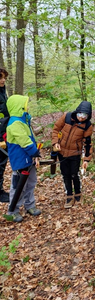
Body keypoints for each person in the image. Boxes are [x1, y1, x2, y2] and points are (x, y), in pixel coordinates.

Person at [5, 94, 41, 223]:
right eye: (26, 105)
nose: (28, 107)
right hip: (20, 161)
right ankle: (13, 211)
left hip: (29, 159)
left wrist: (35, 154)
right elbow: (24, 141)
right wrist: (35, 152)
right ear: (19, 107)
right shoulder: (14, 123)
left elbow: (31, 138)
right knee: (18, 186)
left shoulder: (24, 121)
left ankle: (29, 206)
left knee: (31, 183)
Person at [51, 101, 93, 208]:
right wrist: (55, 142)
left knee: (74, 174)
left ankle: (78, 194)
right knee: (66, 175)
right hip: (62, 152)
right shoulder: (67, 117)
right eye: (80, 114)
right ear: (77, 112)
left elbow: (88, 143)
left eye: (85, 115)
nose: (81, 117)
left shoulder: (87, 125)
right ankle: (69, 195)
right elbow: (56, 129)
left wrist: (86, 160)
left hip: (75, 154)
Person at [0, 68, 10, 202]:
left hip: (4, 132)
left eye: (4, 78)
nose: (3, 80)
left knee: (2, 162)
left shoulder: (3, 92)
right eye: (1, 78)